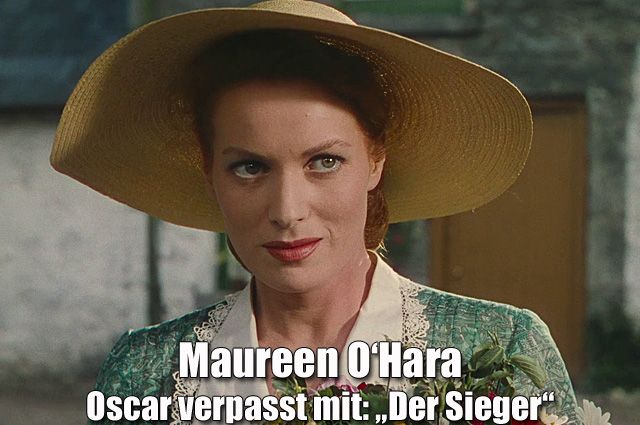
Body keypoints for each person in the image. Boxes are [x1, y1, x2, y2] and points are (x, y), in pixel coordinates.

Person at [51, 1, 578, 424]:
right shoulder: (147, 372)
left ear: (375, 161)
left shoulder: (500, 349)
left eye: (324, 162)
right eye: (250, 167)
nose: (287, 211)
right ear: (210, 175)